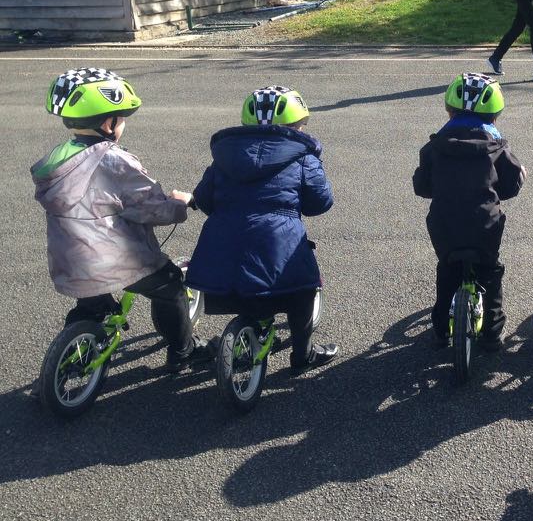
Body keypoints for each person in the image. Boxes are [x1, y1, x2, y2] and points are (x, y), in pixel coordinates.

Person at [31, 67, 209, 372]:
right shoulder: (114, 161)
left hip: (69, 257)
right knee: (171, 287)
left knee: (90, 303)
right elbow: (151, 207)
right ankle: (184, 352)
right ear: (108, 122)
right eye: (122, 118)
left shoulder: (56, 157)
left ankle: (69, 359)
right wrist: (177, 204)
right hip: (115, 259)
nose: (123, 124)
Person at [185, 86, 338, 375]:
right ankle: (302, 355)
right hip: (276, 241)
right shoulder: (304, 157)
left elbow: (204, 199)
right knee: (304, 288)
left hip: (221, 247)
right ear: (296, 126)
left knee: (242, 280)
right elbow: (320, 202)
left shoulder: (223, 156)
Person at [413, 72, 526, 351]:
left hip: (444, 223)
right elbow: (510, 187)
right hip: (484, 223)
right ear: (494, 115)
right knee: (490, 270)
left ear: (449, 110)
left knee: (448, 269)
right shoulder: (498, 148)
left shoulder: (434, 147)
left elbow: (422, 186)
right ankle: (492, 331)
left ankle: (440, 330)